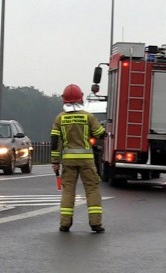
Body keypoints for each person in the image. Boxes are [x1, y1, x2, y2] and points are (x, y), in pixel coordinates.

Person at [50, 84, 106, 233]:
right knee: (92, 189)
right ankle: (95, 223)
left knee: (68, 191)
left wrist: (55, 162)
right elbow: (100, 133)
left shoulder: (59, 119)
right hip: (87, 160)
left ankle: (65, 224)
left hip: (68, 160)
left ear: (64, 100)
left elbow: (55, 142)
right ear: (80, 98)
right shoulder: (88, 116)